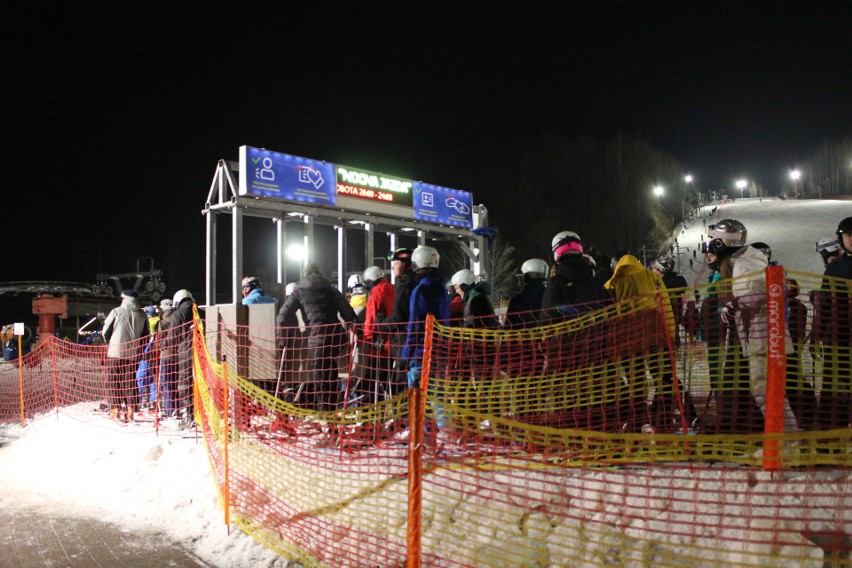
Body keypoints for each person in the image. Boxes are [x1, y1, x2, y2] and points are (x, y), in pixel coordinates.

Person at [703, 219, 798, 432]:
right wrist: (733, 304)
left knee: (767, 394)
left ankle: (785, 443)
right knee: (769, 394)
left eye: (713, 241)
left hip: (762, 338)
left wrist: (734, 304)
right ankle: (784, 441)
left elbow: (759, 295)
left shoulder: (744, 264)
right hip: (762, 337)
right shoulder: (746, 260)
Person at [275, 264, 357, 411]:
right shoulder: (331, 290)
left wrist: (283, 338)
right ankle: (333, 409)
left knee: (320, 380)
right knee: (330, 370)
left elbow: (282, 317)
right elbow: (348, 313)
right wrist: (358, 330)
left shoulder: (299, 292)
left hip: (316, 341)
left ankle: (324, 415)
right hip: (336, 339)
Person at [815, 217, 852, 428]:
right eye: (848, 235)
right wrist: (820, 332)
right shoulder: (835, 267)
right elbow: (825, 301)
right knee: (836, 384)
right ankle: (834, 431)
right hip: (838, 336)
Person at [541, 231, 610, 322]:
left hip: (566, 335)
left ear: (557, 254)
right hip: (595, 334)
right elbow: (607, 308)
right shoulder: (594, 281)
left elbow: (547, 317)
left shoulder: (555, 283)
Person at [101, 290, 149, 422]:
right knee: (130, 382)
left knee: (114, 381)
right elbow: (146, 337)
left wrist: (110, 344)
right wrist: (138, 350)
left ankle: (115, 409)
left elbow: (106, 332)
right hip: (133, 355)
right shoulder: (142, 315)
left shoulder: (116, 311)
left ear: (125, 299)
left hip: (115, 354)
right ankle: (130, 409)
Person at [361, 266, 396, 401]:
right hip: (393, 345)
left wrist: (368, 341)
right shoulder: (393, 292)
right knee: (390, 384)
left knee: (371, 385)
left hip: (378, 347)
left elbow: (370, 325)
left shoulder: (375, 296)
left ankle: (369, 416)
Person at [170, 289, 196, 428]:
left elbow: (173, 336)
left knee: (185, 385)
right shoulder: (200, 311)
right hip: (202, 354)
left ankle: (190, 417)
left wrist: (162, 344)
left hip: (186, 354)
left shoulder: (178, 314)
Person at [651, 255, 688, 342]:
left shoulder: (667, 282)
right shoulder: (669, 280)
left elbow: (682, 284)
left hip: (666, 322)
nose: (653, 270)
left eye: (655, 268)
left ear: (661, 270)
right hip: (666, 322)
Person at [505, 258, 548, 329]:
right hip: (546, 337)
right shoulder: (548, 294)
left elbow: (509, 327)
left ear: (527, 276)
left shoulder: (516, 300)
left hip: (521, 338)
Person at [134, 305, 160, 410]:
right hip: (153, 355)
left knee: (140, 378)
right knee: (151, 379)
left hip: (146, 354)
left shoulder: (151, 322)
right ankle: (152, 401)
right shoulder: (158, 320)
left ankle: (139, 401)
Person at [156, 298, 178, 418]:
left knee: (166, 382)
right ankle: (176, 408)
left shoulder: (162, 322)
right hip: (178, 354)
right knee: (175, 382)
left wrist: (159, 345)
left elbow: (160, 339)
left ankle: (168, 409)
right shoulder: (177, 318)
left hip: (166, 354)